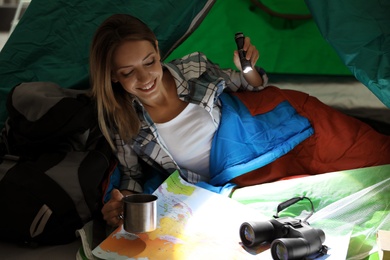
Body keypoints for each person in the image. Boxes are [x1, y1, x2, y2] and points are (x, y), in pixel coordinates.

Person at [89, 14, 390, 227]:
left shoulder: (192, 66)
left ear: (156, 49)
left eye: (149, 62)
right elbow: (130, 176)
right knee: (324, 201)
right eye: (128, 72)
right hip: (236, 179)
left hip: (268, 133)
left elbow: (251, 85)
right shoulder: (123, 121)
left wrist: (247, 69)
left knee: (369, 153)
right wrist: (122, 200)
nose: (145, 78)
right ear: (113, 76)